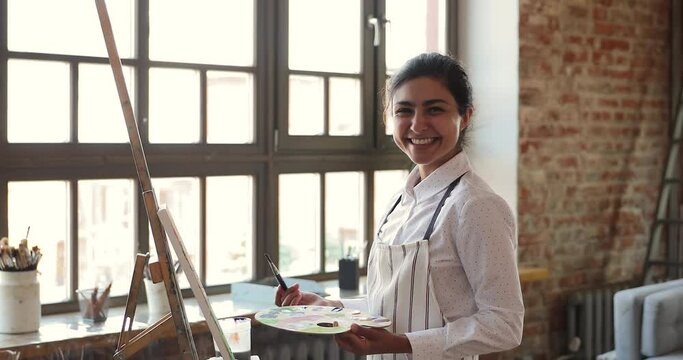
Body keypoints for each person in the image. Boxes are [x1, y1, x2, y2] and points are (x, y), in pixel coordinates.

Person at [275, 52, 524, 359]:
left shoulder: (476, 206)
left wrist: (402, 344)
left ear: (466, 115)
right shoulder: (399, 202)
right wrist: (330, 308)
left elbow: (505, 324)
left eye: (435, 109)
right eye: (404, 111)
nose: (418, 125)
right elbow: (390, 306)